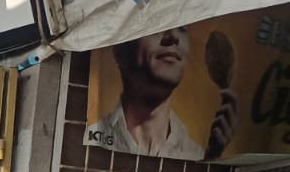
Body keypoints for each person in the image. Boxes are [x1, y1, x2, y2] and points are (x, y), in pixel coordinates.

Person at [85, 27, 237, 160]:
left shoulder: (198, 156)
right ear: (120, 52)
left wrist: (210, 161)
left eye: (182, 28)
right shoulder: (91, 140)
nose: (173, 36)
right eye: (158, 24)